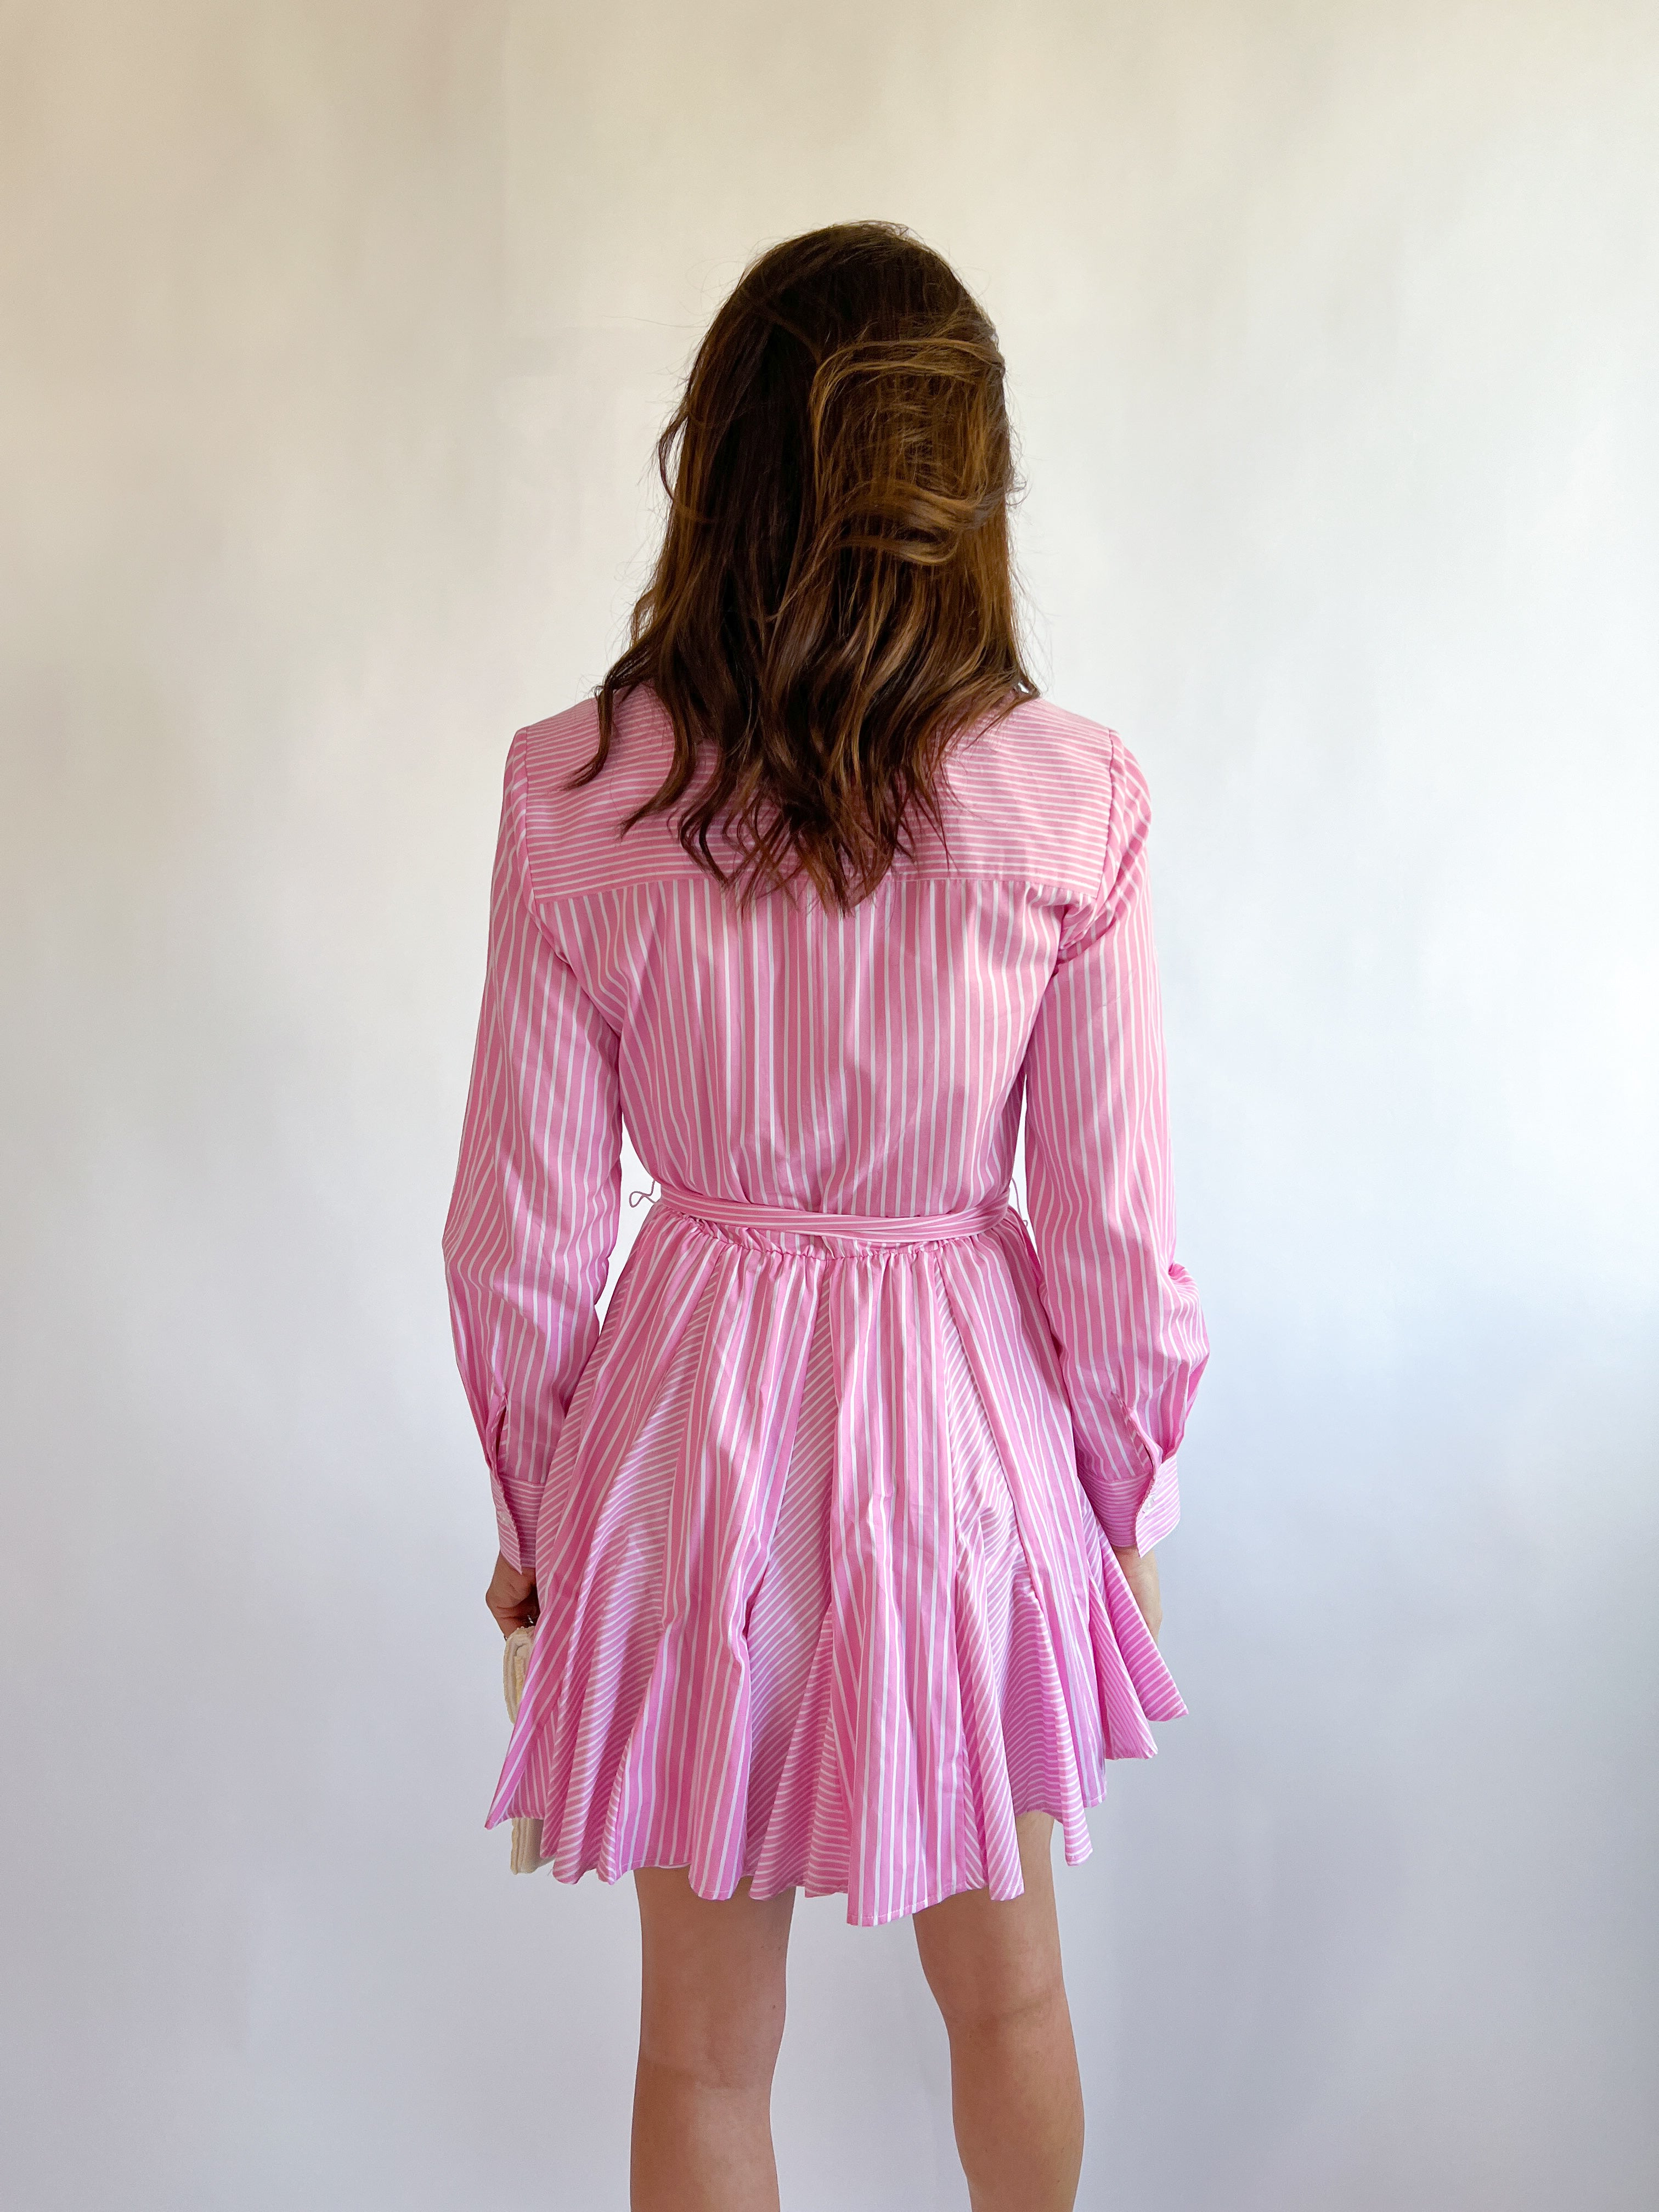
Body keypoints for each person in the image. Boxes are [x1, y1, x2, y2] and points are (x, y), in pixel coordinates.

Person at [441, 219, 1209, 2212]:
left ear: (719, 472)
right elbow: (1116, 1236)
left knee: (700, 2052)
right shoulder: (1073, 798)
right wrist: (1124, 1500)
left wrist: (538, 1522)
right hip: (963, 1452)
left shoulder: (575, 791)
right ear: (969, 495)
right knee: (1011, 2006)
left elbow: (519, 1238)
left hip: (683, 1454)